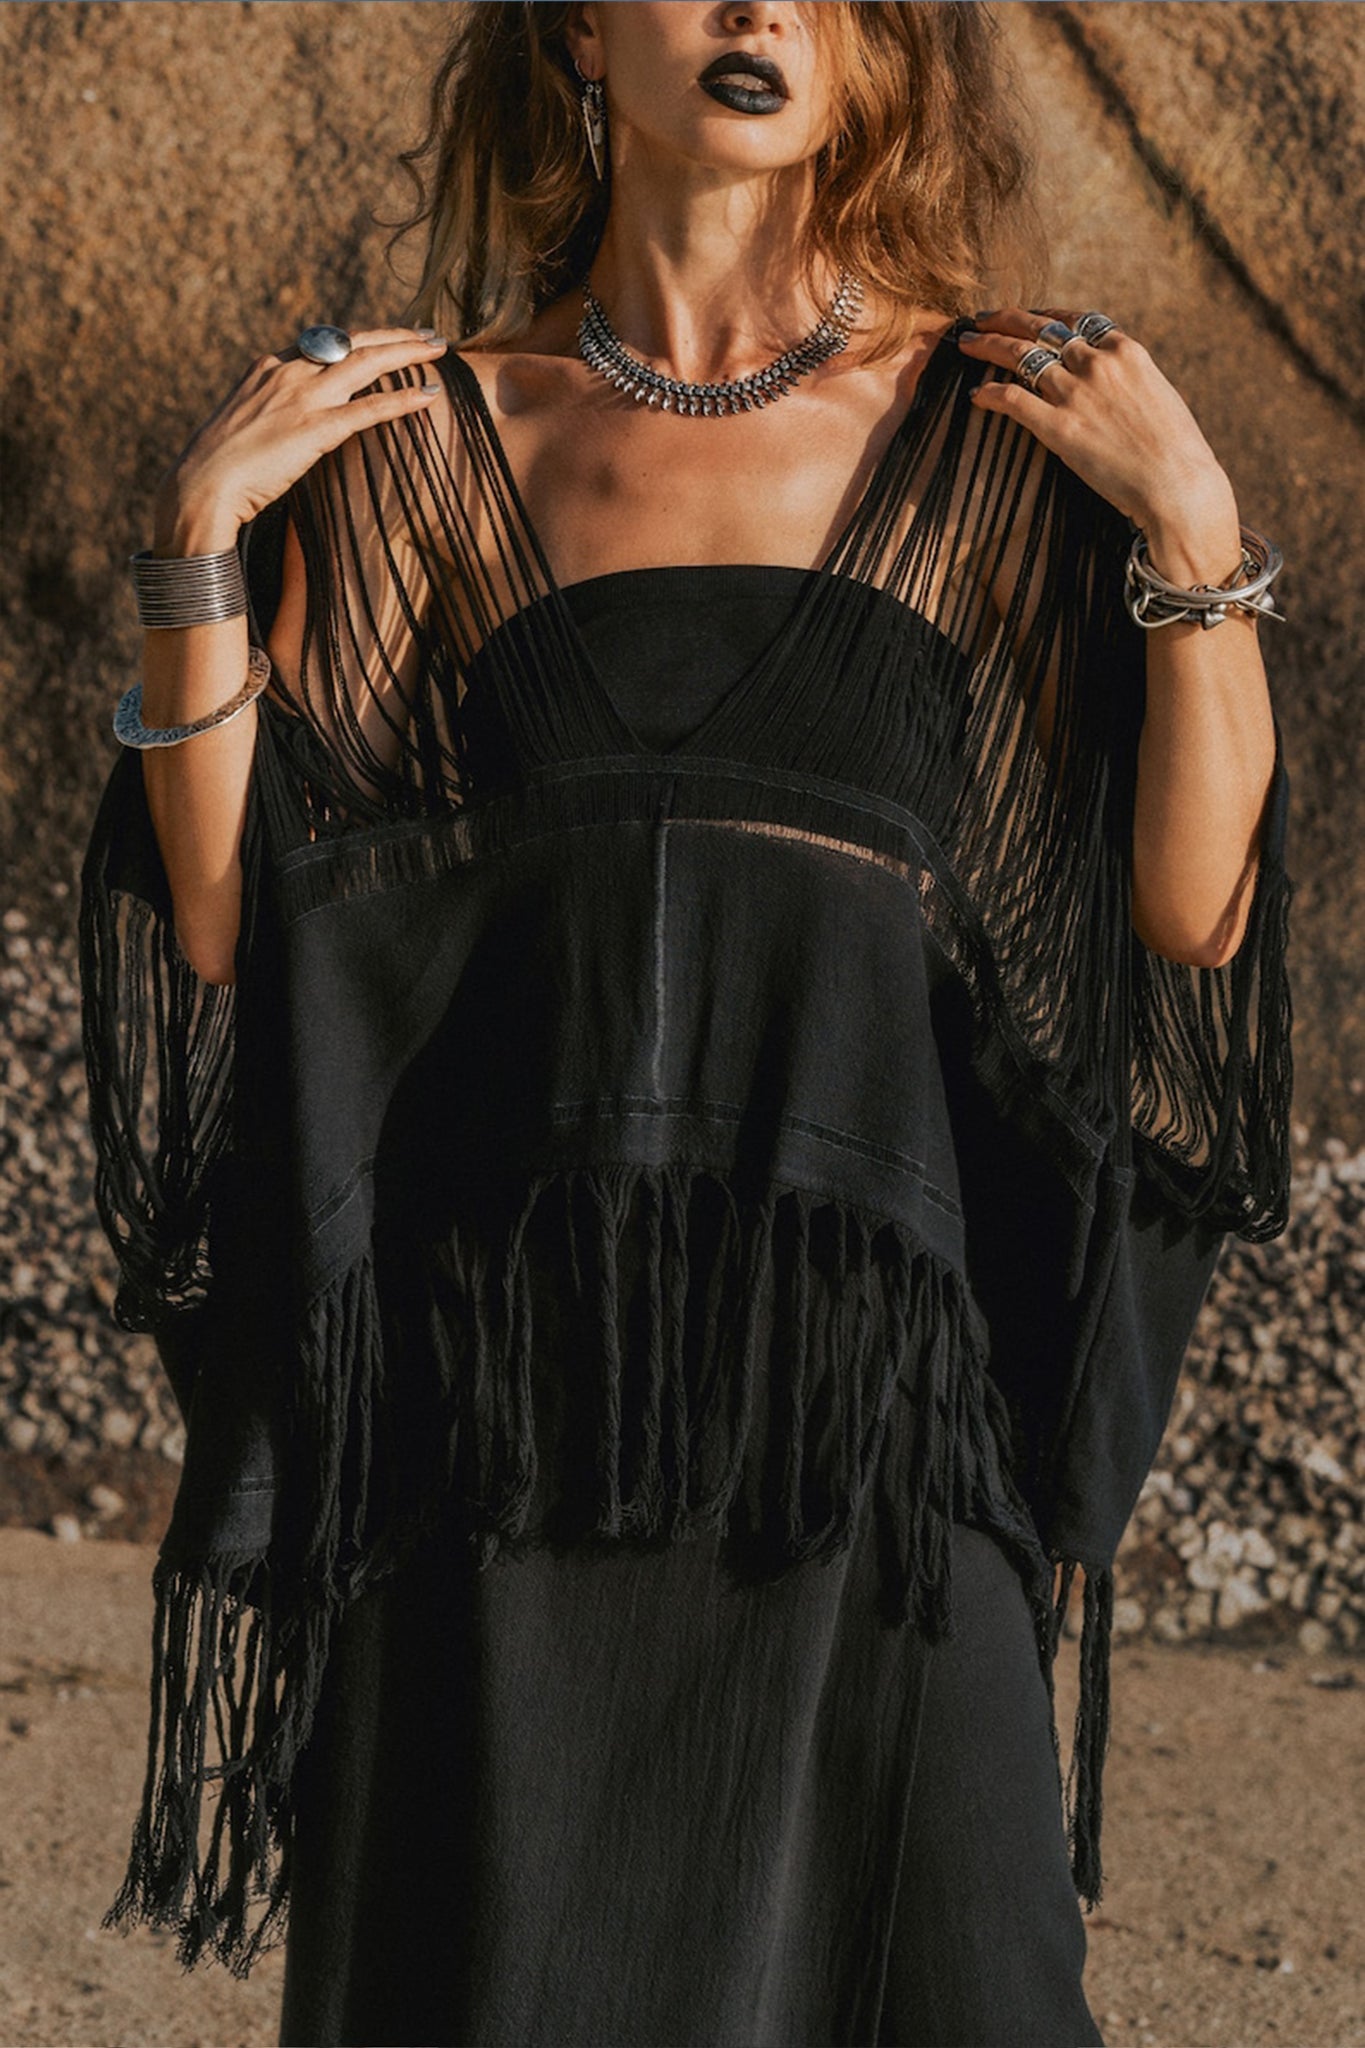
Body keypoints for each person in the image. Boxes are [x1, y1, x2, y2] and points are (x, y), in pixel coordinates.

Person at [78, 4, 1293, 2044]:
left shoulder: (979, 430)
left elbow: (1187, 905)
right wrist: (198, 548)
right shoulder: (430, 442)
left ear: (879, 62)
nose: (758, 12)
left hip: (869, 1425)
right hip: (506, 1417)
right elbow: (226, 925)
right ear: (572, 32)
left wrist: (1187, 538)